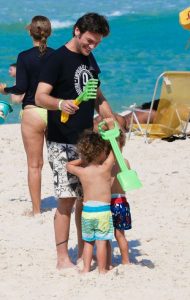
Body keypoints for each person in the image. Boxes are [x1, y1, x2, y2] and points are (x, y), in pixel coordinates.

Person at [35, 12, 115, 269]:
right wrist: (60, 104)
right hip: (61, 141)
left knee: (86, 199)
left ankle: (83, 251)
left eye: (97, 44)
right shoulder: (56, 59)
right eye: (89, 41)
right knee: (66, 200)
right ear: (77, 30)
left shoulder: (89, 59)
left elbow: (97, 96)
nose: (92, 47)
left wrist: (109, 117)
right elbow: (39, 97)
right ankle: (62, 259)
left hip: (86, 141)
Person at [0, 16, 54, 215]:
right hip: (53, 110)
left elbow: (21, 87)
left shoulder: (24, 56)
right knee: (59, 161)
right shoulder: (57, 55)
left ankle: (36, 210)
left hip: (33, 113)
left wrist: (5, 90)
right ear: (48, 33)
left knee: (34, 165)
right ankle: (68, 203)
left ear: (30, 32)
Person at [66, 126, 115, 274]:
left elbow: (68, 165)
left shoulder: (82, 171)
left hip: (87, 212)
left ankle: (86, 269)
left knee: (88, 242)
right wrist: (112, 136)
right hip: (103, 212)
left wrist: (82, 159)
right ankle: (102, 269)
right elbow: (114, 152)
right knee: (101, 242)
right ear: (101, 152)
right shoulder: (105, 168)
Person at [110, 129, 132, 264]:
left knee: (106, 236)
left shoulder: (107, 165)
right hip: (122, 202)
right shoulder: (126, 162)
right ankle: (126, 261)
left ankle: (107, 261)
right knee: (120, 235)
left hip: (110, 202)